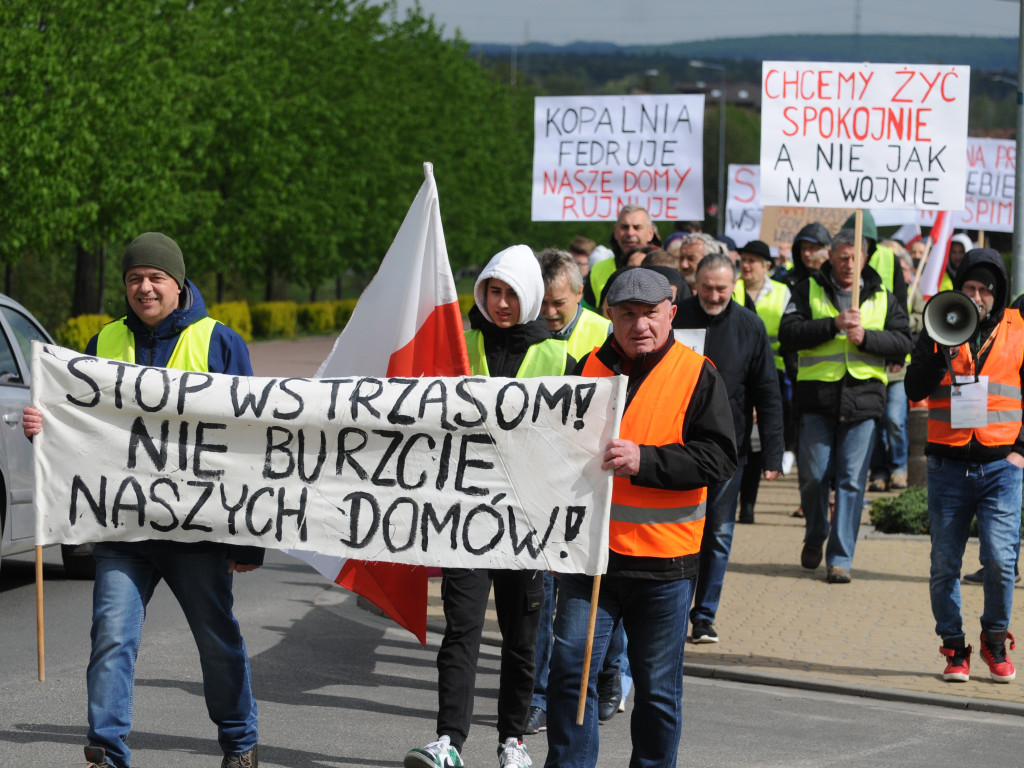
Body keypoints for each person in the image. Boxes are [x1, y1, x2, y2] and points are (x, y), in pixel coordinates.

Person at [24, 232, 261, 768]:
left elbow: (253, 443)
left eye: (156, 278)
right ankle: (106, 751)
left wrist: (247, 542)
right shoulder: (102, 343)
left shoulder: (220, 343)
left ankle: (240, 742)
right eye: (134, 278)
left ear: (178, 284)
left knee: (216, 641)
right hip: (122, 531)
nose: (144, 287)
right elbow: (77, 422)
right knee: (112, 637)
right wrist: (46, 426)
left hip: (197, 534)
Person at [543, 268, 737, 768]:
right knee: (571, 676)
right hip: (591, 560)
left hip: (664, 563)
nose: (640, 325)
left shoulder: (698, 373)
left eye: (650, 313)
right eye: (627, 314)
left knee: (656, 694)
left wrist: (645, 461)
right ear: (610, 316)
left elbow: (718, 459)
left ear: (671, 312)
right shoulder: (583, 368)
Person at [406, 244, 574, 768]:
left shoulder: (557, 357)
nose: (500, 303)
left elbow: (569, 442)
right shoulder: (457, 346)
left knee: (522, 639)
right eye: (492, 292)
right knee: (461, 631)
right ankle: (449, 741)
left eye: (511, 294)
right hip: (465, 517)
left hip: (526, 521)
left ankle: (513, 741)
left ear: (530, 298)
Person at [905, 248, 1022, 684]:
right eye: (969, 288)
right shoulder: (940, 323)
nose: (976, 296)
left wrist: (1021, 451)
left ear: (998, 295)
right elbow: (912, 388)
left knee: (1000, 560)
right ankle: (954, 648)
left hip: (1002, 467)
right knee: (944, 565)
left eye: (985, 290)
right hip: (947, 467)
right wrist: (941, 347)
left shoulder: (1019, 329)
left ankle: (994, 638)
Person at [779, 229, 912, 584]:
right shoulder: (807, 289)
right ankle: (815, 532)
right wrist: (833, 325)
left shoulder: (883, 295)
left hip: (863, 402)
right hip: (816, 400)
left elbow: (903, 342)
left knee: (852, 482)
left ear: (865, 258)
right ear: (831, 258)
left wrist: (867, 338)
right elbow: (788, 333)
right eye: (842, 258)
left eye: (855, 257)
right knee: (814, 478)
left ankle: (840, 559)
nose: (848, 264)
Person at [674, 252, 783, 643]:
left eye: (722, 289)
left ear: (734, 286)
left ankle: (703, 615)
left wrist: (773, 453)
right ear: (695, 285)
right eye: (707, 288)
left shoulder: (749, 326)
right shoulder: (675, 316)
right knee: (679, 531)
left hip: (727, 448)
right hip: (675, 446)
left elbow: (767, 392)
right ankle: (672, 609)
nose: (714, 296)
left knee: (718, 532)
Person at [527, 248, 610, 735]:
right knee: (544, 594)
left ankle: (607, 675)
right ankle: (539, 696)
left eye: (558, 303)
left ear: (580, 295)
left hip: (590, 484)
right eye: (543, 303)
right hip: (540, 485)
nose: (550, 312)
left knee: (600, 593)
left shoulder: (604, 334)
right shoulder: (525, 336)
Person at [731, 240, 792, 523]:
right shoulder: (732, 289)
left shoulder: (782, 292)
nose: (747, 265)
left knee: (757, 443)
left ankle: (750, 504)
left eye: (754, 260)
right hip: (740, 373)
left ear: (768, 266)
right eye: (744, 259)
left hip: (774, 373)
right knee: (741, 440)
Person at [582, 205, 660, 309]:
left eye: (637, 227)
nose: (630, 233)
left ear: (650, 233)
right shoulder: (597, 269)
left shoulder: (664, 267)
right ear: (615, 231)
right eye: (624, 227)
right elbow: (586, 315)